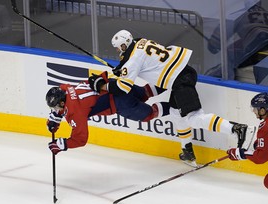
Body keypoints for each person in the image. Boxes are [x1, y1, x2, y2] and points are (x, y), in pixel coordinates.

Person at [88, 29, 255, 167]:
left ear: (124, 45)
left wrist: (101, 85)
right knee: (176, 114)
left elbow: (123, 88)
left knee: (194, 118)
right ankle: (187, 152)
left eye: (119, 48)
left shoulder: (132, 61)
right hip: (183, 73)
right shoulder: (140, 41)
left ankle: (236, 128)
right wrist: (121, 68)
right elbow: (133, 60)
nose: (119, 51)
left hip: (180, 80)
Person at [46, 80, 171, 154]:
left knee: (149, 114)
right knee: (144, 92)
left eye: (56, 108)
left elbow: (80, 139)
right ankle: (172, 81)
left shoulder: (76, 113)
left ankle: (175, 106)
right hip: (113, 85)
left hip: (119, 102)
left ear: (62, 103)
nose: (57, 110)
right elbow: (68, 102)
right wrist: (56, 116)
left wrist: (62, 145)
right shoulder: (65, 88)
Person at [227, 92, 268, 188]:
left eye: (256, 109)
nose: (254, 111)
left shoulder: (265, 128)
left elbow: (260, 157)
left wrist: (241, 154)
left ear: (263, 110)